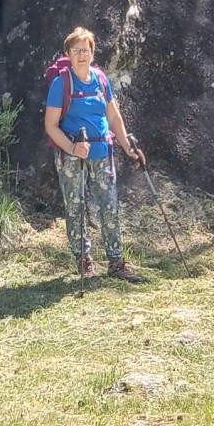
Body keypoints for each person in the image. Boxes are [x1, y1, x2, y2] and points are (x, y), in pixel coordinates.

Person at [42, 26, 146, 283]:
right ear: (68, 53)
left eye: (85, 50)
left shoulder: (100, 79)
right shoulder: (61, 83)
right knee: (75, 208)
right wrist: (72, 148)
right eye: (76, 50)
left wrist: (128, 147)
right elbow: (50, 125)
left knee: (109, 206)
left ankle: (116, 261)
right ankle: (83, 260)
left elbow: (112, 115)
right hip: (72, 155)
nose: (81, 55)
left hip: (102, 152)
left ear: (92, 52)